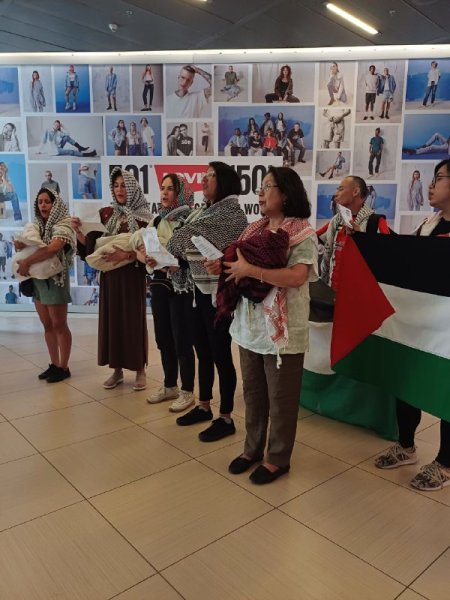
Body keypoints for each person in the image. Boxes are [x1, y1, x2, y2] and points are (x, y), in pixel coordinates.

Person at [210, 166, 317, 484]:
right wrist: (223, 265)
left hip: (282, 330)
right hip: (250, 325)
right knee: (254, 392)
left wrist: (250, 270)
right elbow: (238, 266)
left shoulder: (302, 232)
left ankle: (278, 458)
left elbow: (297, 277)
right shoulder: (253, 229)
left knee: (281, 398)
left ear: (285, 193)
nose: (259, 192)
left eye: (267, 186)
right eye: (260, 187)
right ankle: (252, 448)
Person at [374, 159, 450, 491]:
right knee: (408, 385)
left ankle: (446, 463)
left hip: (447, 331)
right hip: (419, 325)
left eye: (439, 178)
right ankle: (406, 445)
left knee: (446, 391)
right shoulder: (427, 225)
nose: (431, 186)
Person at [166, 162, 247, 442]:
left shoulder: (231, 213)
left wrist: (178, 244)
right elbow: (183, 244)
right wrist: (177, 254)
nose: (204, 179)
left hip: (220, 294)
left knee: (220, 353)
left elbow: (179, 240)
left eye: (210, 175)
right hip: (199, 289)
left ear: (223, 180)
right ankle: (203, 405)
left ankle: (225, 417)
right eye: (204, 175)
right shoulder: (204, 211)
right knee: (202, 349)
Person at [72, 167, 152, 390]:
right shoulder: (107, 214)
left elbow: (148, 251)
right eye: (116, 185)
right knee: (113, 321)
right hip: (110, 276)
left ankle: (139, 370)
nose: (120, 189)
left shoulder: (145, 218)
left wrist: (125, 255)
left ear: (133, 188)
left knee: (133, 322)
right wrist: (79, 232)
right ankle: (116, 370)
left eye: (124, 185)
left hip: (132, 275)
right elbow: (92, 245)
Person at [142, 174, 197, 413]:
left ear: (180, 193)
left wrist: (179, 264)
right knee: (163, 337)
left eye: (170, 189)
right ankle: (169, 386)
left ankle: (187, 391)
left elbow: (196, 257)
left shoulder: (190, 220)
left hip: (182, 286)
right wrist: (148, 259)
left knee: (181, 338)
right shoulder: (155, 221)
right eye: (162, 189)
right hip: (159, 283)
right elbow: (149, 250)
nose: (164, 193)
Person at [15, 188, 75, 382]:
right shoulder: (36, 227)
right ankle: (54, 364)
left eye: (47, 201)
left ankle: (64, 367)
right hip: (38, 280)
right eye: (40, 202)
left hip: (56, 280)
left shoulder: (64, 225)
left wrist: (27, 262)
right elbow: (35, 243)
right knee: (47, 325)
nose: (43, 205)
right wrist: (22, 245)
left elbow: (53, 248)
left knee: (59, 324)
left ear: (55, 204)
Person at [321, 176, 390, 290]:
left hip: (360, 296)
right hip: (333, 296)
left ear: (356, 192)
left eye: (341, 189)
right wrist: (324, 290)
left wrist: (361, 238)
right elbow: (327, 258)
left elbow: (384, 261)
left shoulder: (376, 222)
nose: (336, 193)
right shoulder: (335, 221)